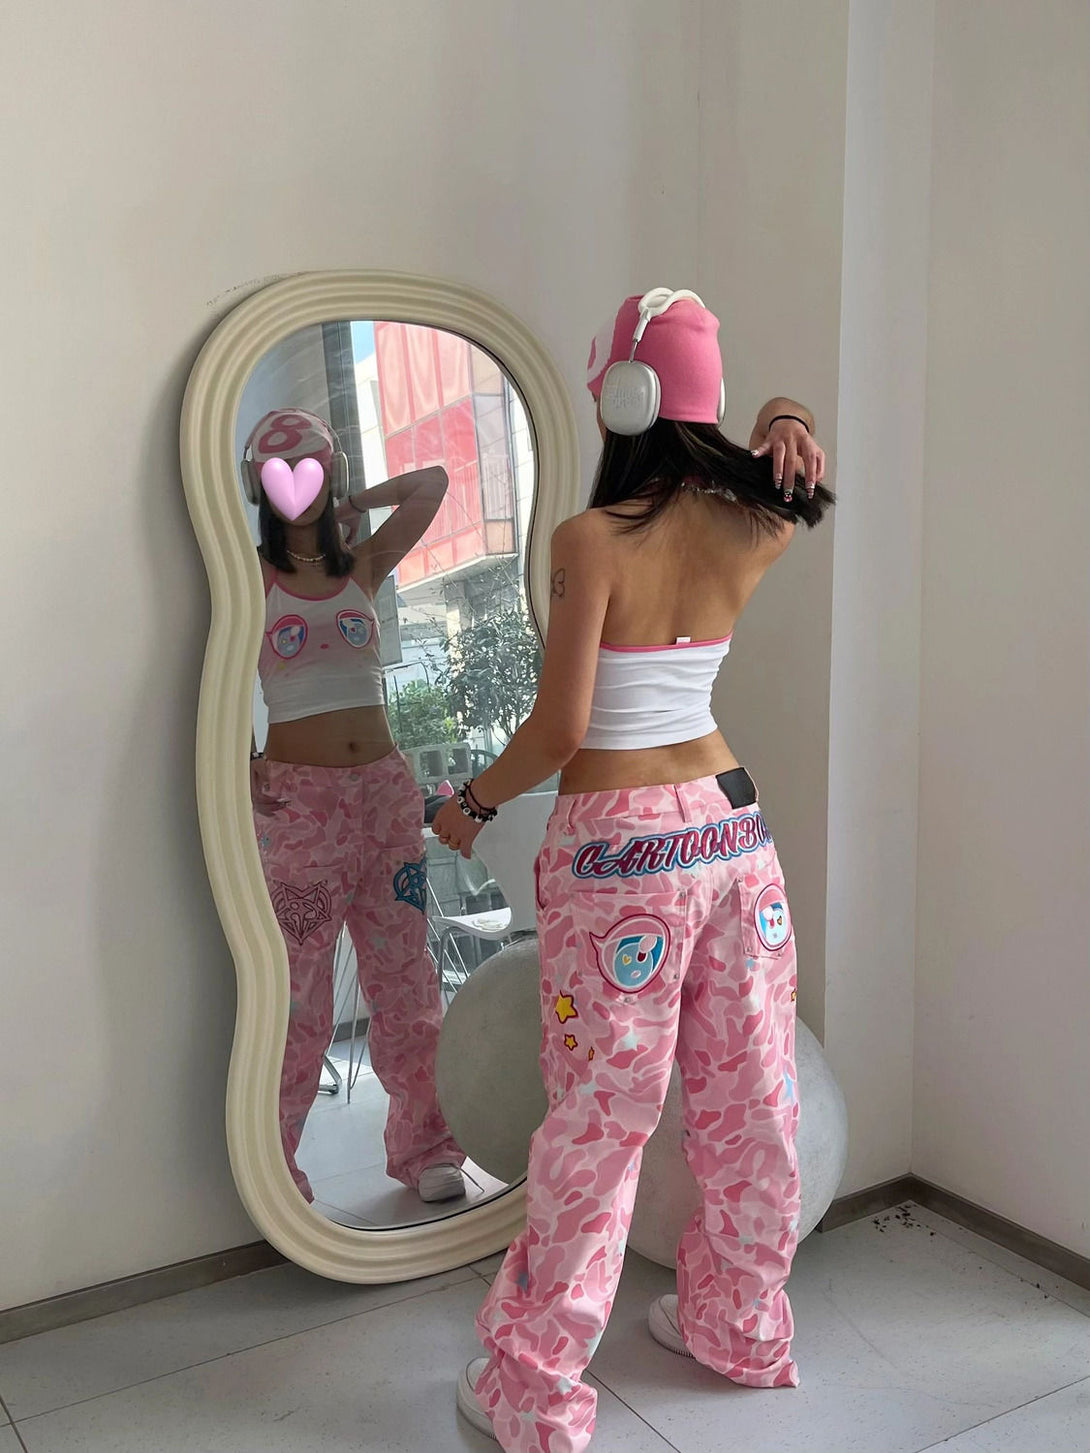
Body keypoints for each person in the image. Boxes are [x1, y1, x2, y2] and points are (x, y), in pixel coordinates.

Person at [432, 290, 833, 1451]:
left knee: (600, 1122)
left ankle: (533, 1386)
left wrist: (470, 805)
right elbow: (788, 436)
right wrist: (789, 416)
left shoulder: (589, 540)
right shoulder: (755, 524)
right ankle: (739, 1324)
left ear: (618, 397)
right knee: (751, 1094)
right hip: (731, 832)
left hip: (621, 853)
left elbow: (560, 730)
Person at [244, 407, 466, 1207]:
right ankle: (275, 1167)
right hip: (300, 807)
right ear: (258, 488)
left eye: (312, 466)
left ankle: (427, 1145)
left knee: (406, 981)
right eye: (279, 473)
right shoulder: (250, 578)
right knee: (296, 996)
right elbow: (207, 674)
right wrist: (239, 759)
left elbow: (432, 484)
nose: (296, 486)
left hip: (383, 795)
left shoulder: (361, 565)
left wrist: (355, 500)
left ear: (330, 471)